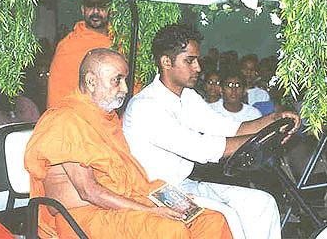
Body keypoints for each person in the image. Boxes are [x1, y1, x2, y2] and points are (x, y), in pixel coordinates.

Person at [25, 48, 233, 239]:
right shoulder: (66, 120)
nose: (125, 88)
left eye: (125, 80)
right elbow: (89, 191)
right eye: (117, 80)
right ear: (91, 81)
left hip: (118, 203)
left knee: (211, 221)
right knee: (170, 231)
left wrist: (172, 200)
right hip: (82, 216)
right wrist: (151, 211)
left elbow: (126, 176)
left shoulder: (106, 118)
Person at [123, 24, 301, 239]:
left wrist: (274, 119)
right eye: (189, 61)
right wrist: (261, 137)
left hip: (184, 185)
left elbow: (229, 128)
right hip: (156, 192)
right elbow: (202, 149)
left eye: (197, 60)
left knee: (261, 203)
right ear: (166, 62)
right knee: (226, 216)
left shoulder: (187, 97)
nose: (198, 67)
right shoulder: (146, 106)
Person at [47, 0, 112, 108]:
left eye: (101, 7)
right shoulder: (69, 45)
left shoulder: (121, 42)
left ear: (110, 10)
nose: (95, 12)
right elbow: (57, 93)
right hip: (77, 117)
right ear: (83, 9)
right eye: (90, 6)